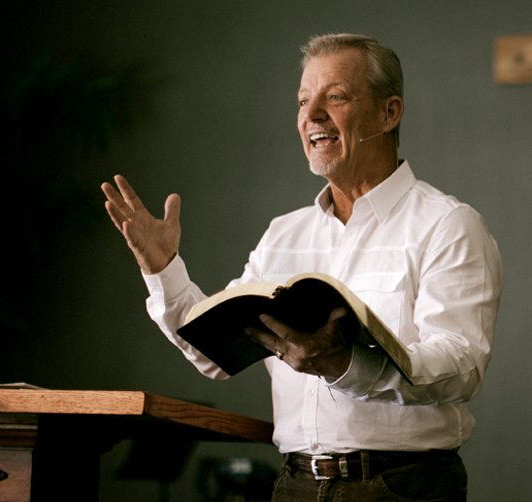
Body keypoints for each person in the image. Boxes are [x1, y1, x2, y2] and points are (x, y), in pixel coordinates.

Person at [101, 33, 502, 501]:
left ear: (390, 112)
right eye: (303, 100)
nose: (312, 116)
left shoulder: (449, 224)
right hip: (294, 484)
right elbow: (212, 355)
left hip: (401, 486)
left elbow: (461, 366)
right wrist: (163, 267)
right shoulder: (283, 234)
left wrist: (346, 364)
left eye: (335, 97)